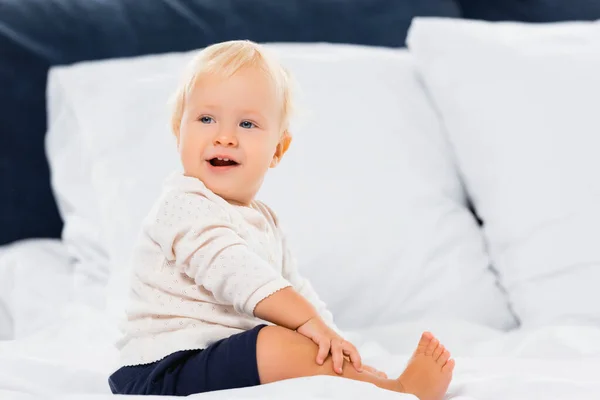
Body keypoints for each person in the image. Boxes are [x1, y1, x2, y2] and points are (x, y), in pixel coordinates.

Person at [108, 40, 455, 399]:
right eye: (206, 118)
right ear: (178, 130)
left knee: (294, 342)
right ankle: (401, 390)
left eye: (247, 123)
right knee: (273, 343)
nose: (224, 137)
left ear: (278, 149)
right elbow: (233, 269)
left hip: (218, 357)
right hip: (162, 369)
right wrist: (306, 323)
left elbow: (294, 288)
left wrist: (333, 342)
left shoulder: (264, 220)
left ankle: (362, 381)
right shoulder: (181, 205)